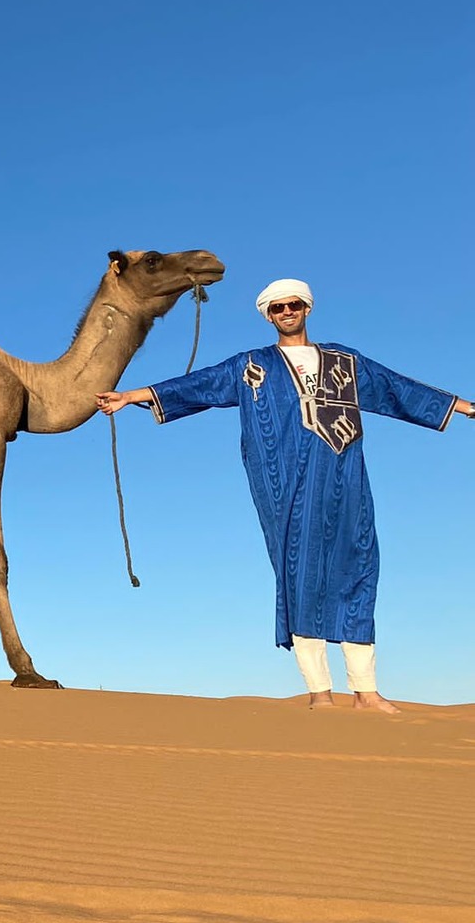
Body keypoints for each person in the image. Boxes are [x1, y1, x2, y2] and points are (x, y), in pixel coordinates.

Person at [97, 278, 473, 711]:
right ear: (268, 315)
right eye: (277, 308)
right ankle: (320, 693)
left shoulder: (345, 362)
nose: (286, 312)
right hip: (284, 488)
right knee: (299, 575)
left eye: (293, 304)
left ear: (306, 309)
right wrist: (131, 396)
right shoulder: (251, 365)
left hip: (345, 479)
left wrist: (466, 407)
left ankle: (365, 691)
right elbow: (199, 385)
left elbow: (398, 390)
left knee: (360, 566)